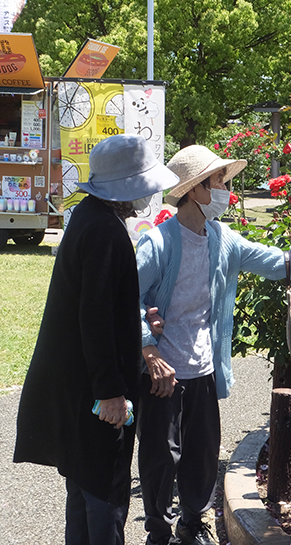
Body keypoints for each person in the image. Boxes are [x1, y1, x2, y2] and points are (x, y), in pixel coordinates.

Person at [135, 144, 291, 545]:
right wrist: (150, 351)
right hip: (164, 372)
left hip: (203, 368)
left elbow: (276, 261)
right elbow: (127, 299)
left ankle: (192, 524)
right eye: (219, 181)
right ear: (195, 190)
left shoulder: (222, 239)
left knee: (202, 454)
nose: (226, 189)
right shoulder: (158, 244)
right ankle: (158, 532)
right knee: (161, 457)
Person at [13, 134, 179, 545]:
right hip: (92, 391)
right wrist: (110, 392)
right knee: (105, 495)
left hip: (76, 387)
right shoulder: (105, 230)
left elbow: (102, 304)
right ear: (127, 187)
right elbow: (95, 318)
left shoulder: (90, 217)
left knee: (84, 489)